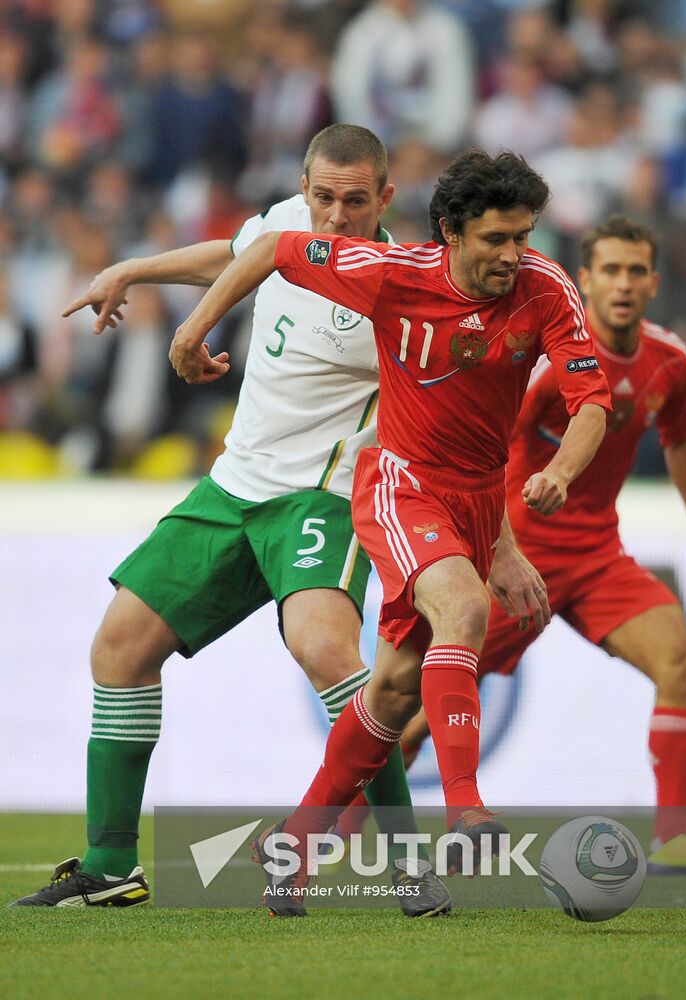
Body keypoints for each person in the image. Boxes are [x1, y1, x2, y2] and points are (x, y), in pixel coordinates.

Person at [13, 124, 452, 917]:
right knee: (118, 646)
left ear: (385, 199)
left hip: (319, 494)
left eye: (355, 201)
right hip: (233, 485)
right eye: (323, 197)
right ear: (304, 186)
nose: (334, 216)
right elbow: (237, 253)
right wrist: (135, 269)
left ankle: (409, 864)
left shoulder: (399, 285)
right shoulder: (287, 220)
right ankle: (112, 864)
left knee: (325, 649)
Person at [167, 147, 612, 913]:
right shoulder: (393, 272)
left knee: (393, 691)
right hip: (399, 485)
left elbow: (590, 401)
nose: (514, 254)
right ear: (450, 231)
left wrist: (557, 478)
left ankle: (293, 846)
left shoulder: (545, 288)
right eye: (496, 240)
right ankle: (467, 810)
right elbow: (272, 249)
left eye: (523, 236)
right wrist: (191, 332)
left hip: (476, 502)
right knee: (465, 610)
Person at [402, 215, 686, 876]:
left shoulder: (668, 359)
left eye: (634, 271)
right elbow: (488, 443)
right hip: (517, 559)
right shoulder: (547, 358)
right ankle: (331, 826)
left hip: (595, 558)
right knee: (414, 715)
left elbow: (682, 439)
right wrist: (492, 552)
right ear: (584, 279)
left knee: (681, 663)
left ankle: (672, 836)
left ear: (651, 281)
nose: (622, 283)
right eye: (609, 270)